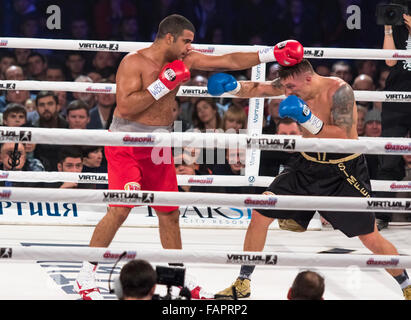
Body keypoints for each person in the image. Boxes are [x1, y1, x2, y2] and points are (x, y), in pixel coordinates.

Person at [74, 13, 303, 300]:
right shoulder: (133, 62)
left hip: (159, 143)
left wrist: (270, 54)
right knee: (120, 208)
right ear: (168, 37)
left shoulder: (186, 60)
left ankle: (178, 278)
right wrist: (163, 83)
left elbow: (230, 61)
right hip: (126, 141)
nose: (189, 47)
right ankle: (85, 275)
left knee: (169, 213)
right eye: (186, 41)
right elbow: (128, 107)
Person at [209, 59, 411, 300]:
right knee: (260, 211)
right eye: (284, 87)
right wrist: (233, 88)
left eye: (290, 88)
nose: (286, 93)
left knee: (370, 237)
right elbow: (259, 88)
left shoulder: (339, 91)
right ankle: (243, 281)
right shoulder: (292, 85)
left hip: (343, 171)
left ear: (308, 78)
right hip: (306, 165)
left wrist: (307, 119)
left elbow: (345, 137)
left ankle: (406, 286)